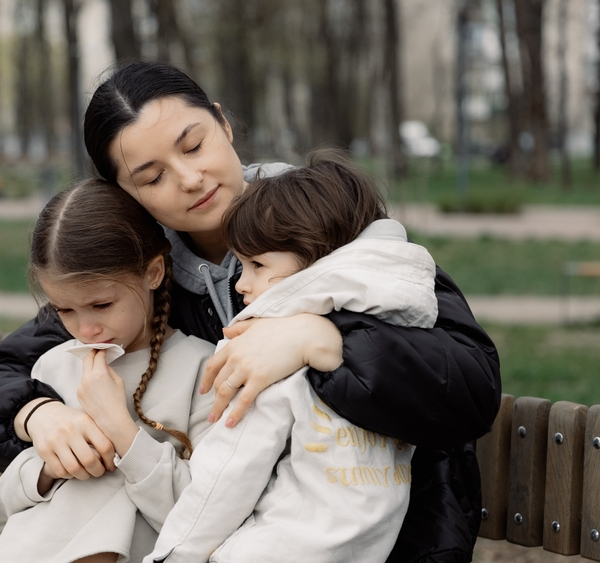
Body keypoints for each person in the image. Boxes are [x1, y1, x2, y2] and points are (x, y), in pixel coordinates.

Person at [0, 61, 500, 563]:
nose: (190, 179)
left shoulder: (327, 222)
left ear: (223, 124)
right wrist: (37, 416)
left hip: (377, 542)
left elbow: (469, 384)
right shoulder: (141, 274)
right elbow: (0, 379)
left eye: (194, 145)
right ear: (124, 196)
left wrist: (319, 342)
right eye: (152, 178)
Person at [146, 150, 435, 563]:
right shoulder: (394, 320)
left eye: (257, 265)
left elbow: (228, 473)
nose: (242, 284)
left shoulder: (262, 346)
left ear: (314, 259)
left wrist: (174, 554)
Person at [0, 179, 217, 563]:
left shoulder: (202, 369)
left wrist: (122, 432)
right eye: (64, 310)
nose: (86, 329)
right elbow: (7, 500)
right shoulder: (55, 363)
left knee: (110, 487)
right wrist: (49, 466)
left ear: (153, 273)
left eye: (102, 304)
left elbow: (200, 515)